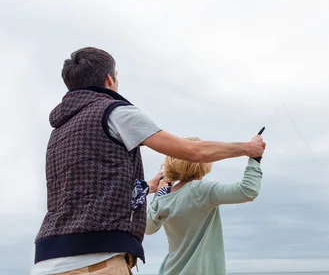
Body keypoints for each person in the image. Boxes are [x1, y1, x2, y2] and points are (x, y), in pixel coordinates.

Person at [32, 47, 266, 275]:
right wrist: (249, 149)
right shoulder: (115, 112)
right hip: (97, 260)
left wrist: (148, 188)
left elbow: (89, 189)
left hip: (48, 257)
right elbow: (193, 151)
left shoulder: (59, 131)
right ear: (109, 79)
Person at [145, 139, 263, 275]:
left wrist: (158, 196)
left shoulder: (164, 197)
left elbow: (148, 228)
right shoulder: (201, 190)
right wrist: (255, 159)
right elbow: (248, 190)